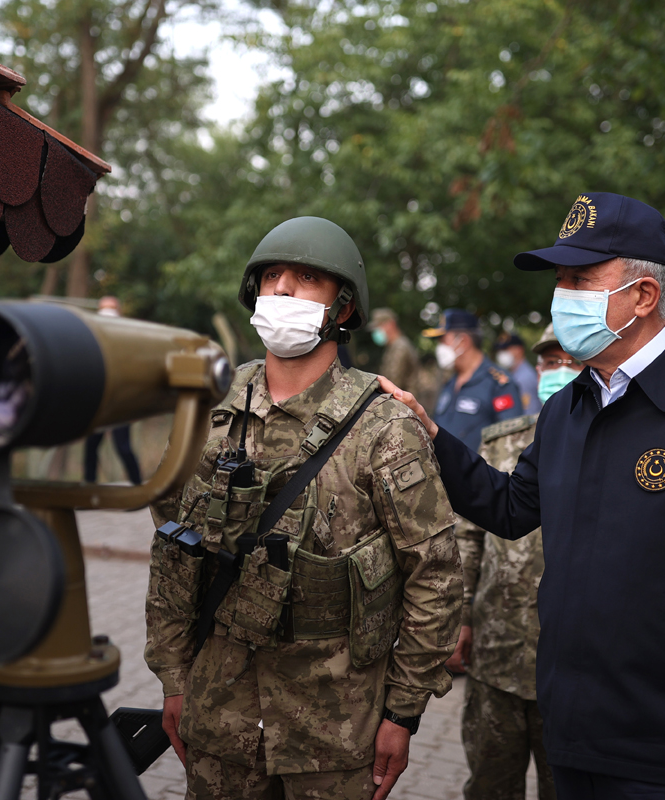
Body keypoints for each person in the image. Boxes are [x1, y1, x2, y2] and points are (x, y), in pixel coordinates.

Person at [381, 192, 665, 800]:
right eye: (560, 279)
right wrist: (432, 436)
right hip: (573, 733)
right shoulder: (568, 408)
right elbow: (509, 508)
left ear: (643, 296)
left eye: (581, 278)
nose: (563, 296)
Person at [145, 216, 463, 800]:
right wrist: (173, 677)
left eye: (307, 278)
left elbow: (435, 575)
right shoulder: (211, 411)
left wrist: (403, 711)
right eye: (272, 277)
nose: (284, 290)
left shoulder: (383, 426)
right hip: (221, 713)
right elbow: (173, 551)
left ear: (341, 308)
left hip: (336, 731)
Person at [447, 324, 581, 800]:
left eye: (572, 361)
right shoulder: (504, 442)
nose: (558, 371)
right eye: (550, 362)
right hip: (497, 652)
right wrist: (460, 619)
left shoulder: (613, 448)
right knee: (489, 786)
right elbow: (469, 537)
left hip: (573, 671)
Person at [427, 309, 524, 448]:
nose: (439, 347)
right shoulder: (450, 382)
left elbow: (511, 443)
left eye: (443, 340)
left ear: (463, 341)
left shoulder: (499, 384)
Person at [82, 297, 145, 484]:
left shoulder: (128, 340)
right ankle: (89, 487)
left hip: (120, 403)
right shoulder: (92, 340)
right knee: (91, 445)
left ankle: (137, 486)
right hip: (99, 403)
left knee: (123, 447)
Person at [369, 307, 420, 395]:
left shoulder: (400, 347)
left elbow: (393, 383)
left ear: (391, 324)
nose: (376, 331)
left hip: (402, 406)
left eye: (379, 326)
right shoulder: (393, 347)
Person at [495, 333, 542, 414]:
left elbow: (528, 415)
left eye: (506, 349)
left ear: (519, 350)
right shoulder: (515, 374)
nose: (502, 353)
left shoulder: (524, 378)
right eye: (500, 350)